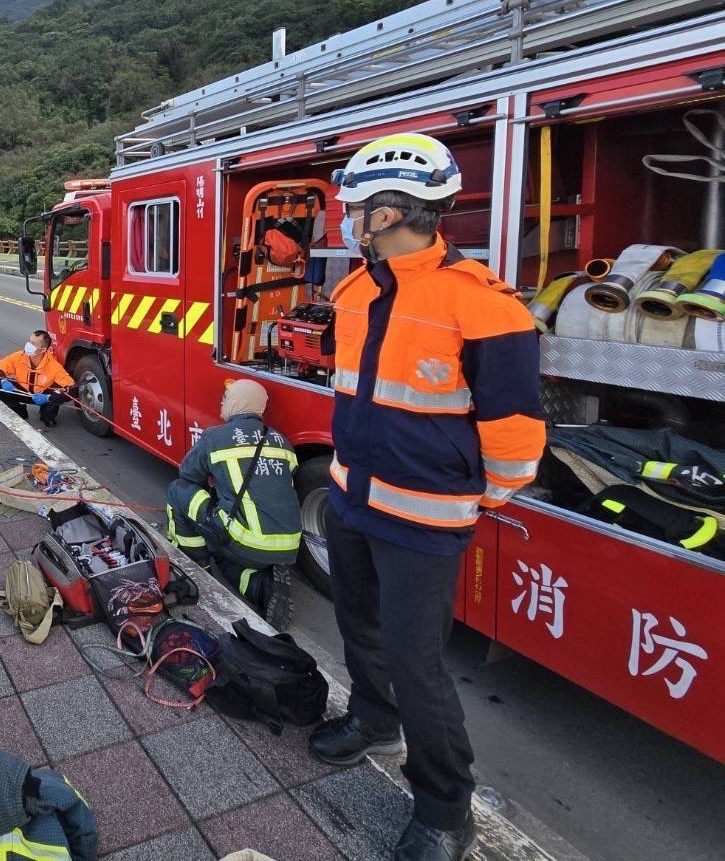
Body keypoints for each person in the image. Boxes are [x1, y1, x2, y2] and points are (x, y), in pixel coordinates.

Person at [313, 134, 544, 861]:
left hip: (424, 517)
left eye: (355, 208)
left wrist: (481, 499)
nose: (347, 219)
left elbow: (512, 425)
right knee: (359, 628)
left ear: (386, 213)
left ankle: (445, 808)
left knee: (419, 663)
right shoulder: (356, 290)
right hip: (353, 498)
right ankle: (373, 721)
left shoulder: (482, 304)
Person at [165, 379, 301, 630]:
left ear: (236, 403)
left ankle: (197, 563)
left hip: (247, 539)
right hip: (290, 545)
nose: (223, 402)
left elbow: (187, 474)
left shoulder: (216, 437)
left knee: (178, 491)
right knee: (229, 554)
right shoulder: (283, 442)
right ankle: (264, 587)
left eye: (227, 398)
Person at [0, 330, 75, 427]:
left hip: (42, 395)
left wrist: (49, 398)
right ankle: (19, 410)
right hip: (22, 391)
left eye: (33, 344)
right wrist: (3, 380)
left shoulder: (54, 366)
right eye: (29, 341)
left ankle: (46, 414)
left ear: (43, 349)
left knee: (52, 410)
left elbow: (72, 388)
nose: (28, 345)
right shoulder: (19, 356)